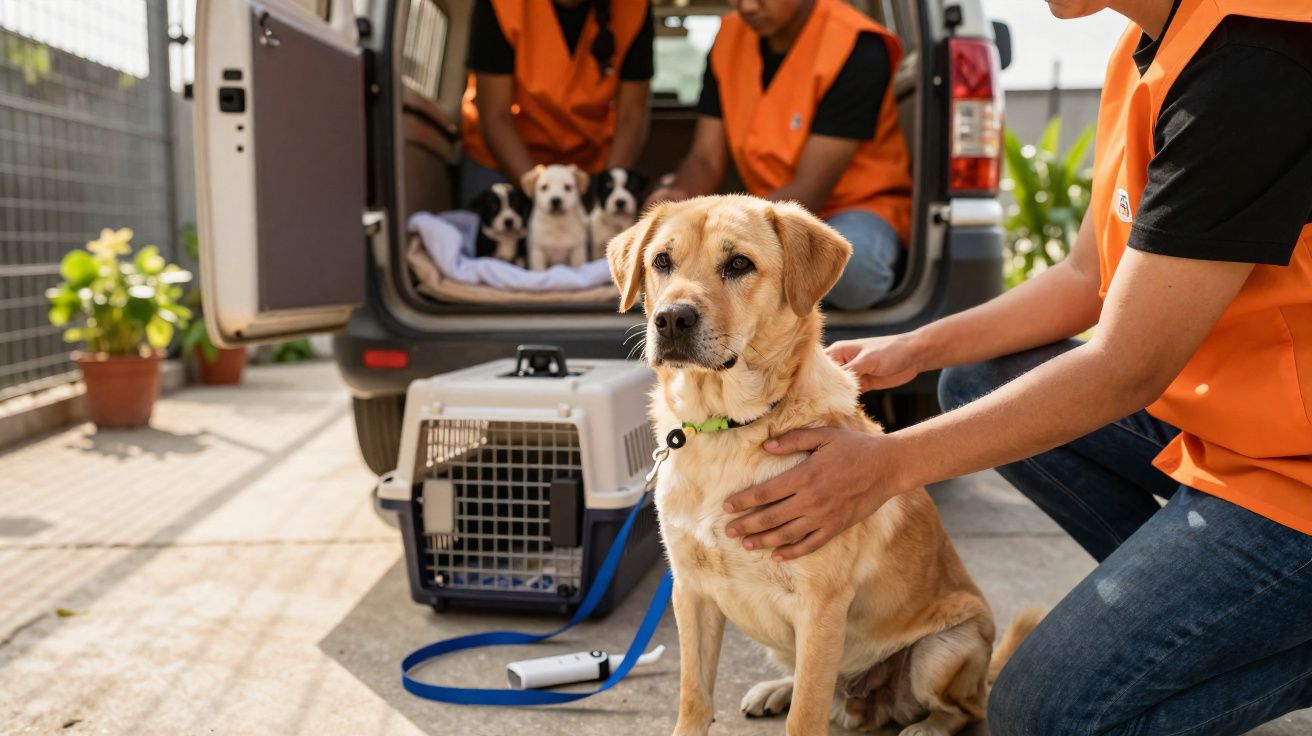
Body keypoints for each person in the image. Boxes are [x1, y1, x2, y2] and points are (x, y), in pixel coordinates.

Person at [714, 0, 1312, 732]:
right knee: (973, 379)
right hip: (1239, 429)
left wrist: (887, 463)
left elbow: (1128, 367)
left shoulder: (1258, 62)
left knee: (1039, 717)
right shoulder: (1150, 45)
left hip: (1294, 477)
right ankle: (1216, 615)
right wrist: (915, 349)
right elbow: (1086, 277)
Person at [648, 0, 912, 310]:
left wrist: (730, 234)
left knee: (855, 275)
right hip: (765, 210)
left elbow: (811, 187)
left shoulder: (856, 45)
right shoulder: (728, 37)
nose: (746, 6)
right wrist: (674, 198)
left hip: (854, 208)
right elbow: (705, 159)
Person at [459, 0, 653, 207]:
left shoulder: (634, 7)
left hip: (588, 166)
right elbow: (495, 116)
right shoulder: (501, 5)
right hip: (503, 156)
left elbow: (631, 117)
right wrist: (543, 192)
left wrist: (603, 194)